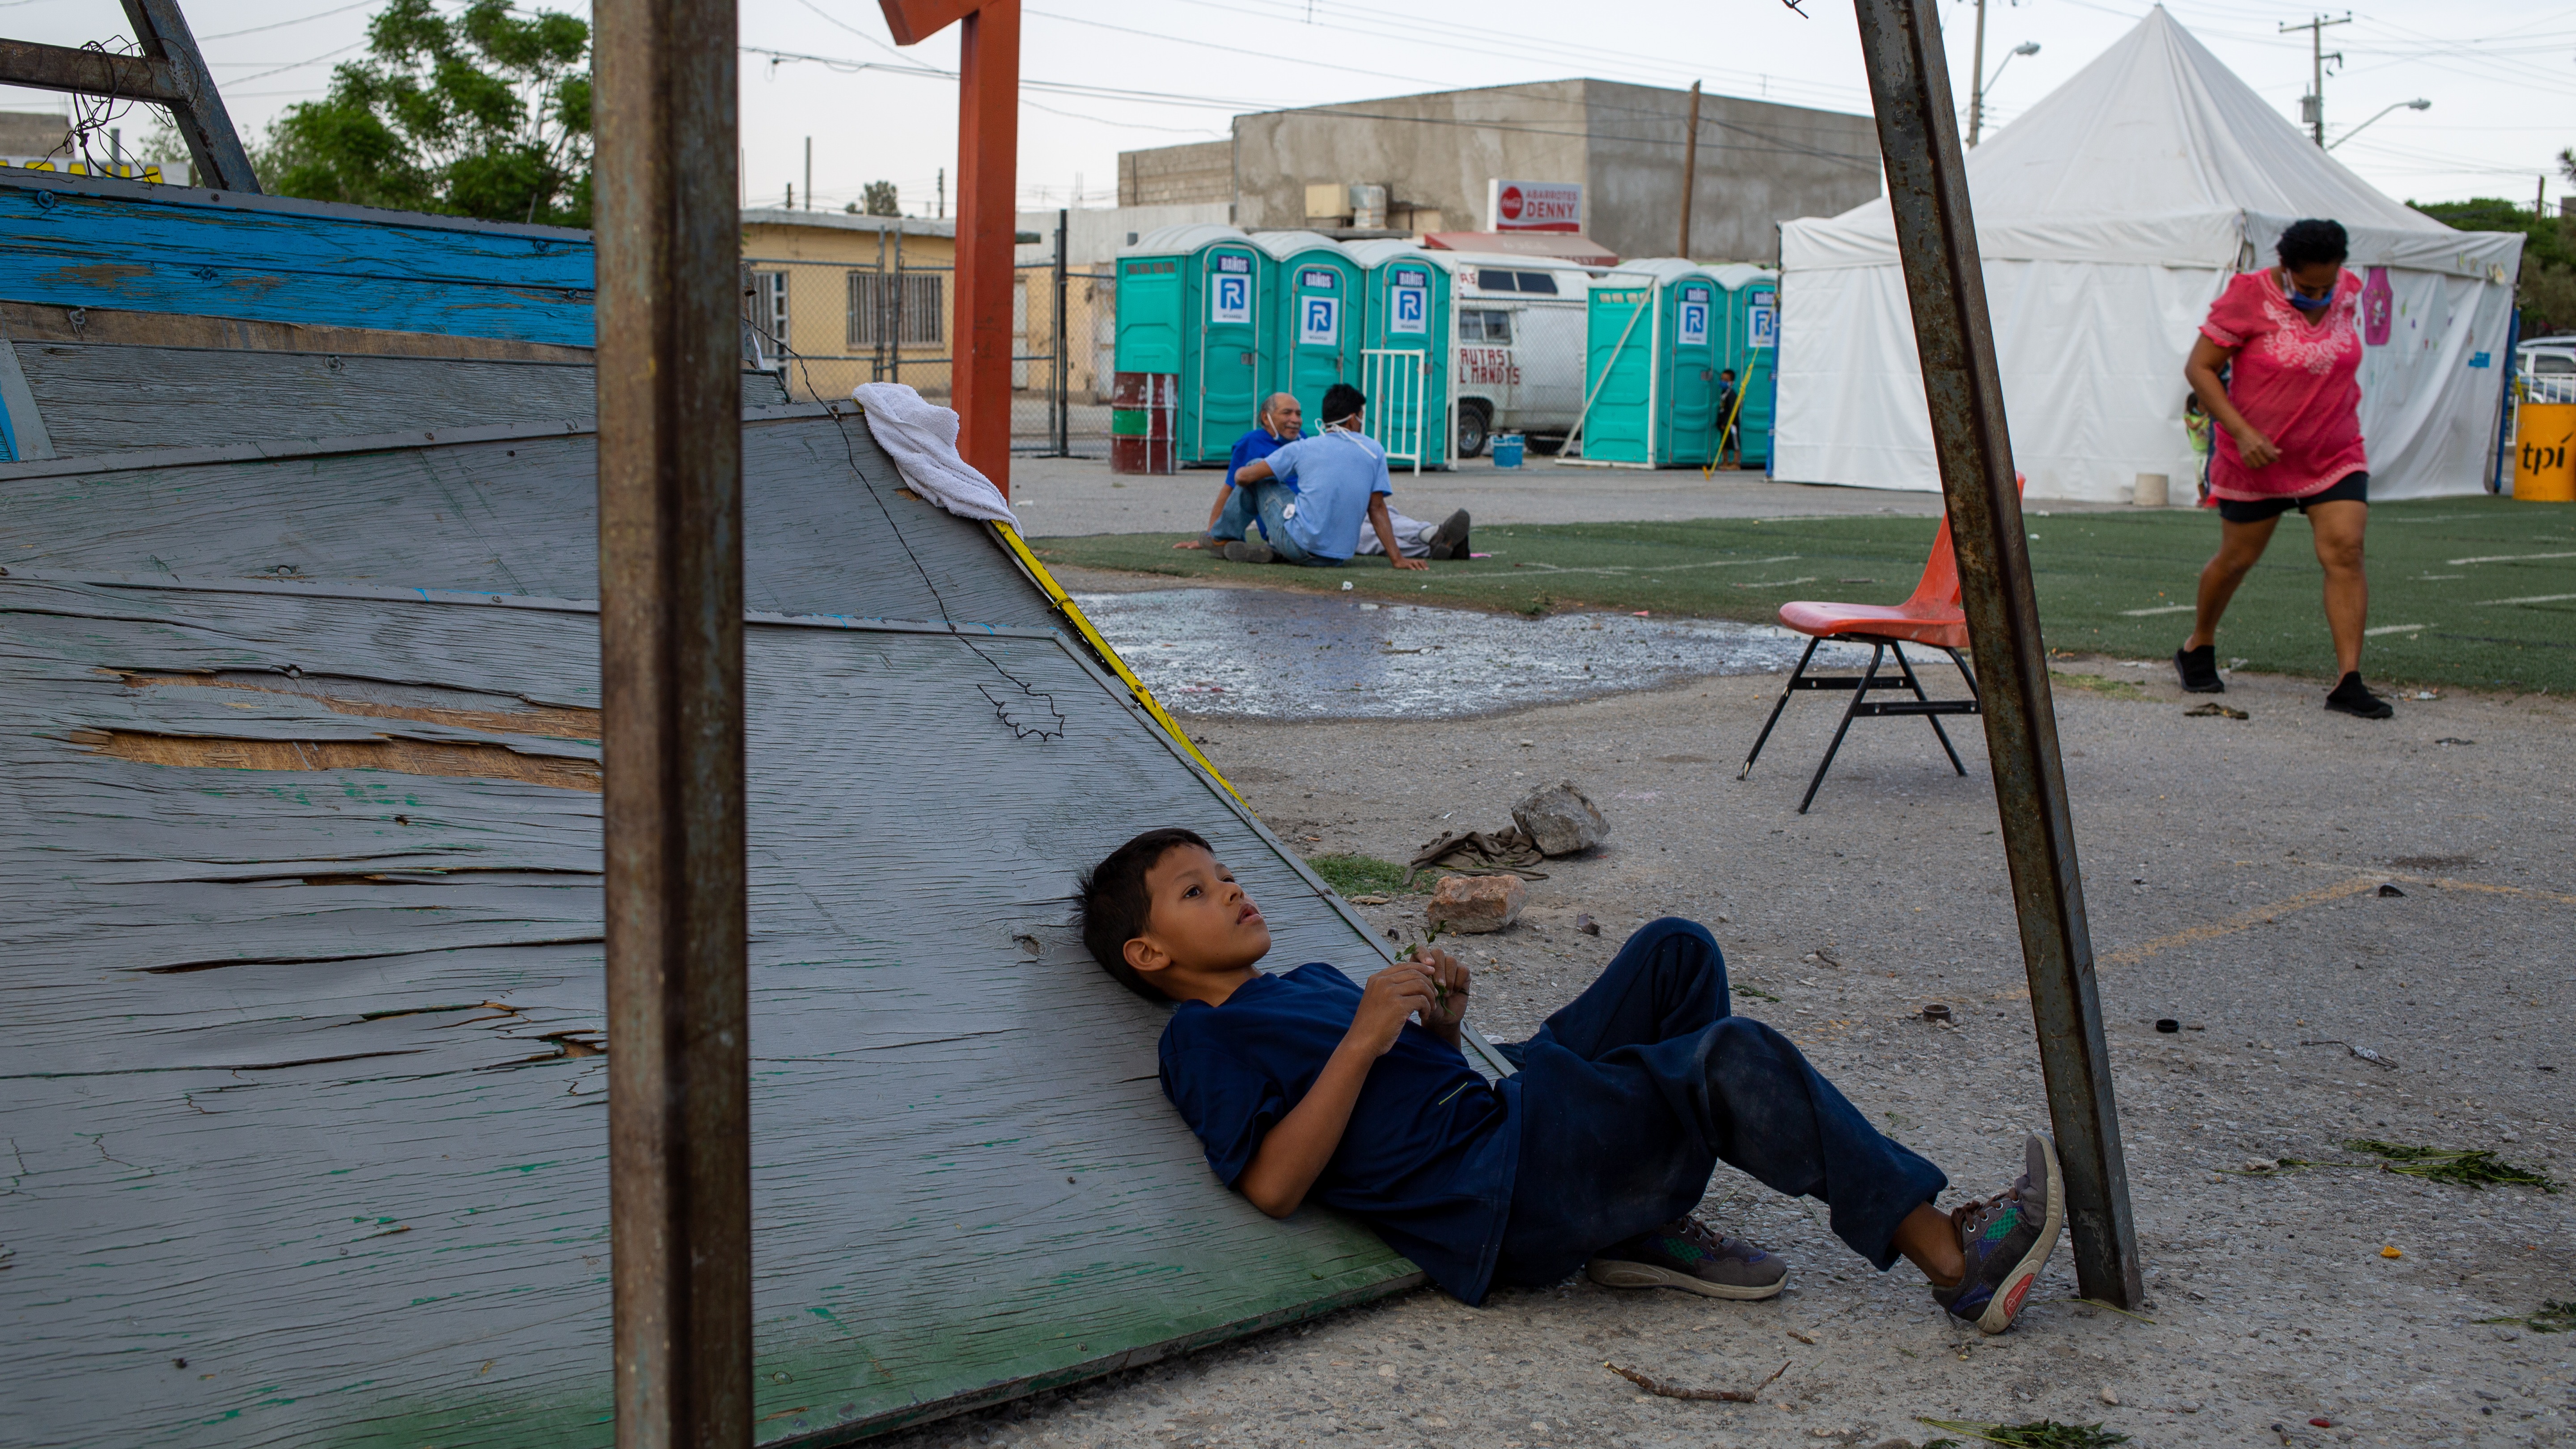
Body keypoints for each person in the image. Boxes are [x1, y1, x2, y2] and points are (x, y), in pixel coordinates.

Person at [1076, 827, 2067, 1330]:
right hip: (1496, 1191)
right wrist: (1364, 1040)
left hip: (1508, 1108)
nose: (1233, 890)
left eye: (1227, 873)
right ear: (1151, 957)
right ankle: (1954, 1262)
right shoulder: (1203, 1039)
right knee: (1730, 1057)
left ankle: (1636, 1226)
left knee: (1675, 952)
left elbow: (1423, 1077)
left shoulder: (1316, 980)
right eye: (1196, 893)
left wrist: (1445, 1024)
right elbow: (1274, 1186)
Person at [2177, 218, 2392, 719]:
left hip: (2333, 452)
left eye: (2327, 285)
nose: (2320, 294)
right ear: (2285, 269)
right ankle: (2198, 645)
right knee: (2236, 560)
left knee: (2346, 549)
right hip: (2256, 456)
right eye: (2308, 286)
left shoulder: (2349, 292)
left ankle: (2348, 681)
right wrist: (2243, 432)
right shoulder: (2247, 297)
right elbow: (2200, 369)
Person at [1178, 392, 1470, 561]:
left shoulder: (1305, 441)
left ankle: (1433, 536)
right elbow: (1231, 487)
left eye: (1299, 413)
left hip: (1314, 513)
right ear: (1266, 417)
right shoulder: (1251, 443)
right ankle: (1222, 538)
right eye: (1287, 414)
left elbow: (1375, 506)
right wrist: (1208, 531)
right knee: (1364, 530)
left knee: (1377, 515)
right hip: (1291, 517)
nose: (1296, 419)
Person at [1713, 367, 1742, 469]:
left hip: (1732, 423)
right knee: (1725, 443)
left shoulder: (1731, 394)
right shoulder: (1723, 393)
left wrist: (1726, 422)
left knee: (1735, 443)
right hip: (1723, 422)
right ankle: (1726, 461)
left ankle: (1736, 463)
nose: (1723, 382)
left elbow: (1732, 410)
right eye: (1722, 379)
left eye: (1726, 380)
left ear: (1732, 382)